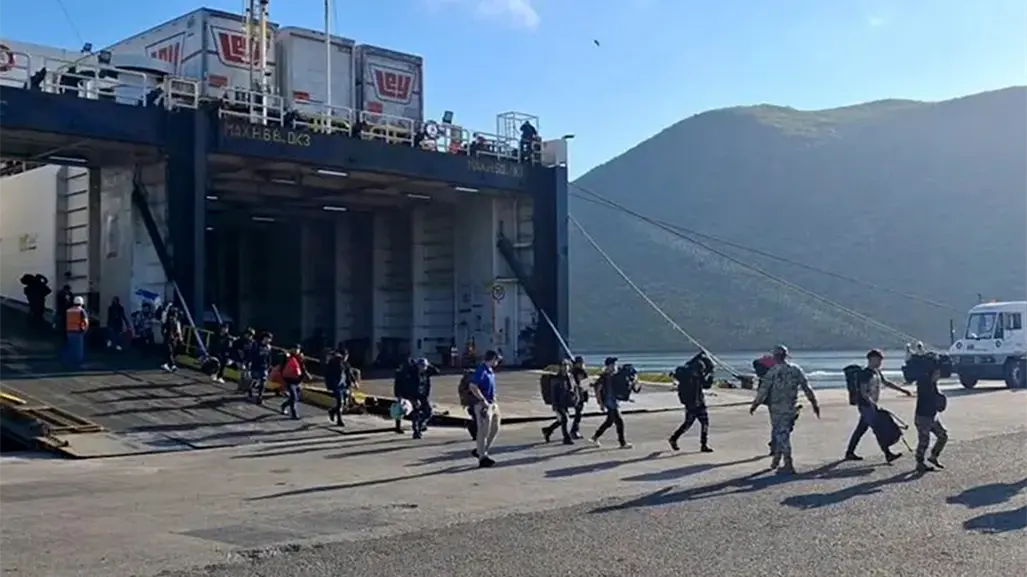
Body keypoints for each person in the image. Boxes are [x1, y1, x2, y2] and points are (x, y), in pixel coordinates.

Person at [749, 345, 820, 474]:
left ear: (775, 357)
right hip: (791, 406)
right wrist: (814, 403)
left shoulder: (772, 372)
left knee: (781, 434)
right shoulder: (795, 369)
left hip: (776, 408)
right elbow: (806, 387)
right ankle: (776, 461)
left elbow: (763, 391)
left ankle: (788, 463)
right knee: (783, 433)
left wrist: (755, 405)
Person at [845, 349, 911, 463]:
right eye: (878, 359)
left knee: (861, 429)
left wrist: (902, 390)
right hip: (866, 406)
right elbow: (863, 391)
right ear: (871, 359)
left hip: (870, 406)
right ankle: (888, 454)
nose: (880, 362)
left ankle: (849, 453)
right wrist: (871, 404)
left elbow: (886, 383)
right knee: (878, 429)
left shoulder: (877, 372)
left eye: (881, 359)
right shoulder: (865, 374)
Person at [669, 351, 715, 453]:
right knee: (689, 424)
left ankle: (703, 444)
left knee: (703, 423)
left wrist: (699, 355)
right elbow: (706, 385)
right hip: (692, 404)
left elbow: (706, 385)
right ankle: (674, 438)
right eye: (701, 370)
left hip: (698, 402)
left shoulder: (695, 375)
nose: (702, 372)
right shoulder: (687, 377)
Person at [468, 350, 502, 468]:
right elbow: (473, 386)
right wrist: (483, 400)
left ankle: (481, 450)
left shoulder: (490, 371)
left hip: (493, 403)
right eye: (497, 359)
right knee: (483, 431)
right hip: (483, 405)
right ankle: (482, 457)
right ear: (492, 359)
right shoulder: (481, 370)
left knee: (495, 427)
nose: (498, 362)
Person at [913, 361, 949, 473]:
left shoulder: (933, 384)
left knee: (943, 436)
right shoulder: (925, 384)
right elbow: (930, 399)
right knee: (924, 441)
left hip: (931, 417)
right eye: (937, 373)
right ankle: (920, 463)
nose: (938, 376)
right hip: (923, 417)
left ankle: (933, 456)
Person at [590, 357, 632, 449]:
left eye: (615, 364)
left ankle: (595, 437)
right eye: (613, 365)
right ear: (608, 366)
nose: (615, 366)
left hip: (614, 401)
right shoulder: (604, 377)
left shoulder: (614, 376)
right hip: (609, 402)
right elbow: (598, 390)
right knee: (619, 422)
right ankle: (622, 443)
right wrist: (600, 403)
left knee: (609, 422)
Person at [541, 360, 577, 445]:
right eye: (563, 366)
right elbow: (553, 393)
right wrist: (554, 405)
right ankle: (566, 438)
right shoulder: (556, 379)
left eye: (567, 366)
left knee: (562, 420)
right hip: (559, 402)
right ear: (560, 367)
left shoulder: (570, 377)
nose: (565, 367)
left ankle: (548, 430)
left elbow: (574, 388)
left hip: (567, 401)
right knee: (564, 418)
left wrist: (576, 399)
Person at [325, 348, 358, 426]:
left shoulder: (346, 363)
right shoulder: (334, 362)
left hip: (345, 385)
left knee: (345, 403)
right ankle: (339, 420)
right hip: (336, 385)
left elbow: (349, 373)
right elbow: (328, 374)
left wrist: (354, 382)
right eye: (345, 355)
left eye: (347, 356)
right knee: (340, 402)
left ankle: (332, 411)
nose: (346, 357)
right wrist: (330, 384)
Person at [410, 358, 439, 439]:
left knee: (429, 412)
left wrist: (429, 365)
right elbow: (409, 386)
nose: (423, 368)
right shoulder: (413, 374)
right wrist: (413, 399)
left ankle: (421, 423)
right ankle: (416, 432)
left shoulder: (426, 373)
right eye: (422, 366)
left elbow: (437, 371)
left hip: (424, 396)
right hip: (415, 396)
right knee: (416, 413)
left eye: (425, 366)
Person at [278, 345, 310, 419]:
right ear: (291, 349)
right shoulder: (287, 357)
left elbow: (302, 367)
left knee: (296, 397)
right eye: (294, 349)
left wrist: (306, 374)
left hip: (298, 380)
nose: (296, 350)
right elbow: (281, 367)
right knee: (294, 396)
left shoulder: (300, 357)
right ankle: (294, 414)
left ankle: (284, 405)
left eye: (298, 349)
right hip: (288, 379)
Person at [247, 332, 274, 404]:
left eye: (269, 339)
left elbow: (269, 357)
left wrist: (269, 366)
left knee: (263, 381)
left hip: (264, 366)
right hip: (255, 365)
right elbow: (251, 354)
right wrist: (249, 363)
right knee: (254, 380)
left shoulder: (269, 347)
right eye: (267, 338)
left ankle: (260, 396)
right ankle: (250, 391)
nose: (268, 340)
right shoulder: (256, 345)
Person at [62, 295, 89, 366]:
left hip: (69, 331)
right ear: (81, 303)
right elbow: (86, 322)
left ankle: (69, 361)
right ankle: (78, 363)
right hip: (78, 331)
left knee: (71, 347)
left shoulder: (69, 310)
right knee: (79, 349)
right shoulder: (81, 311)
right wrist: (85, 330)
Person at [393, 358, 417, 434]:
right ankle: (400, 427)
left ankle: (400, 426)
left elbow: (397, 385)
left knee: (401, 410)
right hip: (405, 393)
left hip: (406, 393)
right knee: (401, 410)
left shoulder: (404, 373)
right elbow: (397, 385)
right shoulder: (405, 373)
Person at [568, 356, 590, 439]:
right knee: (578, 414)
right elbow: (584, 385)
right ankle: (574, 431)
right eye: (581, 362)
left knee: (577, 414)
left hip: (575, 395)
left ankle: (574, 431)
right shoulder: (581, 372)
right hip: (579, 396)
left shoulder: (572, 371)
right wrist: (585, 397)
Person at [160, 308, 182, 372]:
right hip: (170, 337)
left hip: (171, 337)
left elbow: (178, 330)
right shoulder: (171, 320)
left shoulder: (174, 320)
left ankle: (167, 364)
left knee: (170, 352)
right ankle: (172, 365)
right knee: (170, 351)